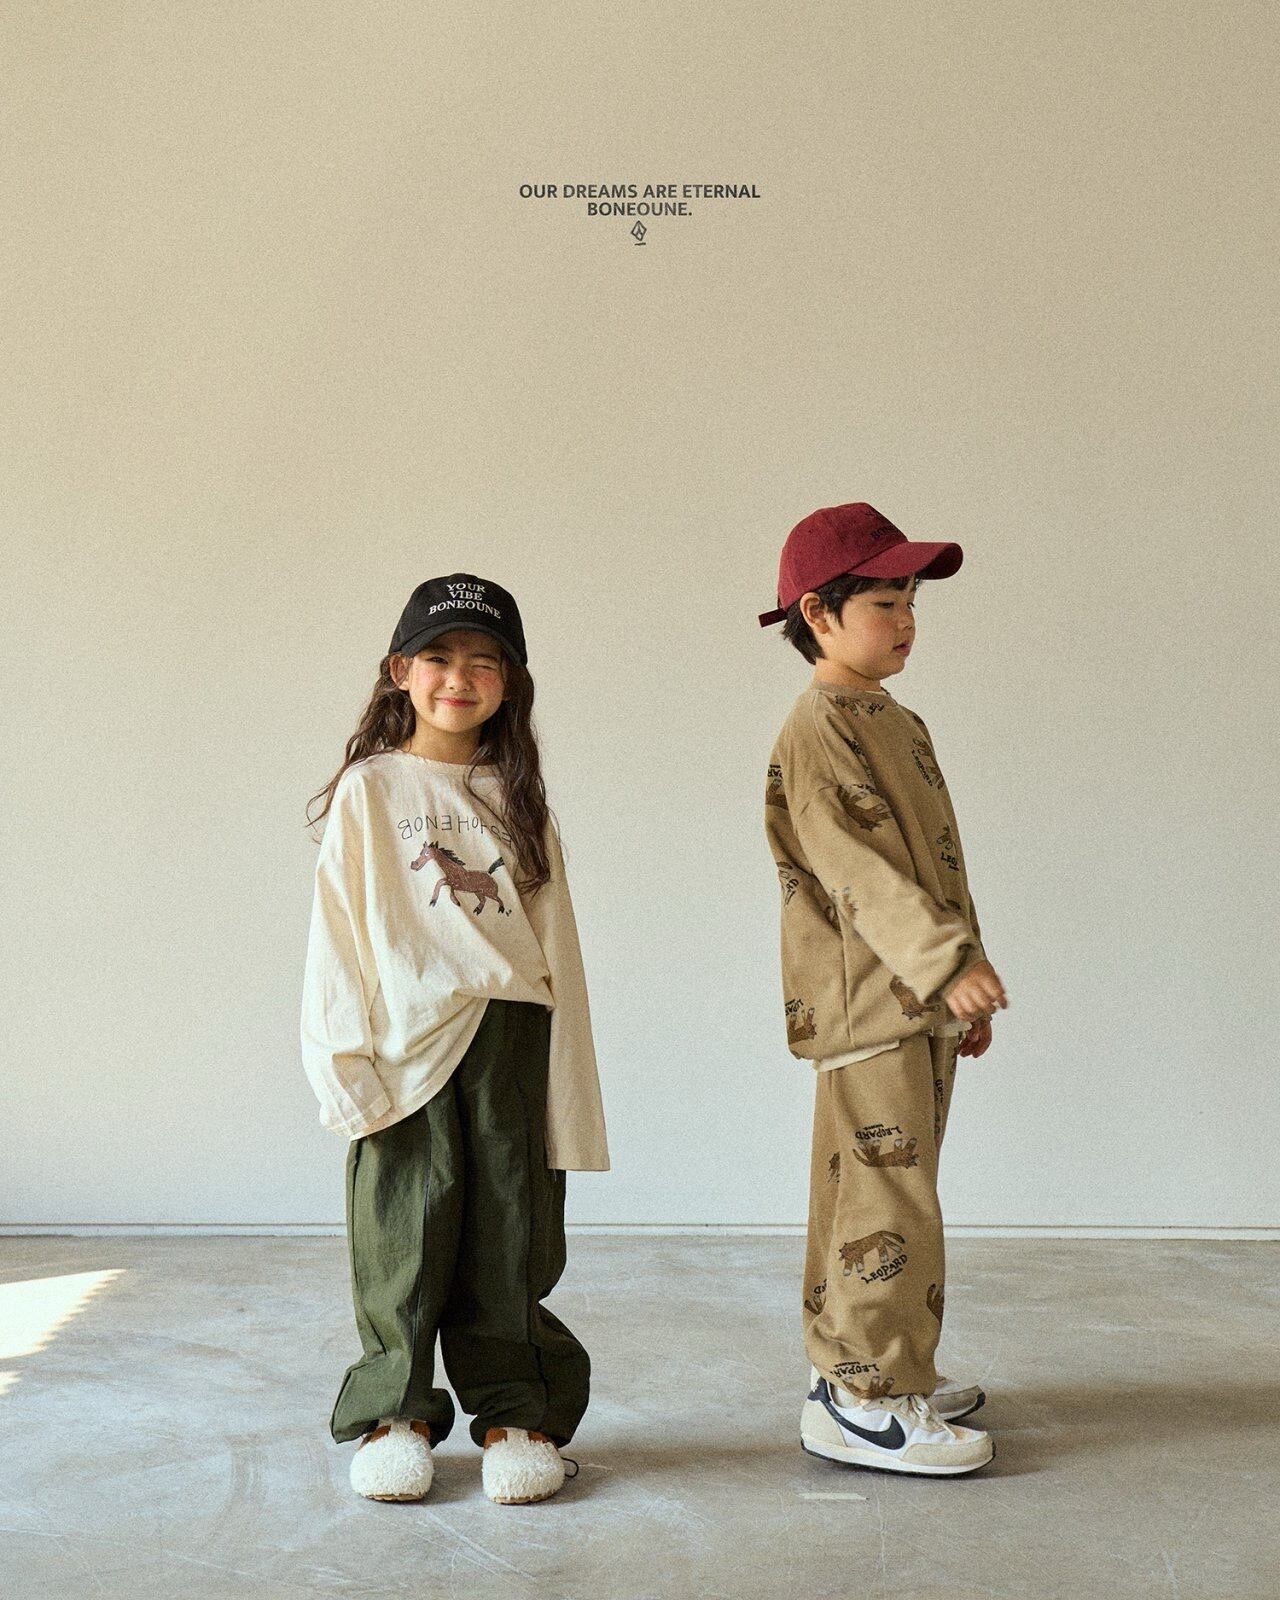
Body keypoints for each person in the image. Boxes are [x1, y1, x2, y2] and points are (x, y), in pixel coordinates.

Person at [300, 572, 608, 1505]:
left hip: (509, 1039)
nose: (458, 678)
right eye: (437, 657)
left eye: (484, 661)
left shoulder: (519, 797)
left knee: (509, 1236)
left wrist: (569, 1093)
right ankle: (394, 1413)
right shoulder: (370, 791)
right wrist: (340, 1061)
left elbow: (556, 949)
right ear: (400, 669)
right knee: (402, 1234)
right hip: (403, 1042)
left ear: (510, 682)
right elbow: (338, 934)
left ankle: (517, 1413)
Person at [759, 503, 1010, 1477]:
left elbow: (932, 861)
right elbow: (856, 866)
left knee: (885, 1189)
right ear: (818, 615)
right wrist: (945, 963)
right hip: (869, 1002)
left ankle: (873, 1370)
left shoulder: (894, 721)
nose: (905, 619)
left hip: (912, 1001)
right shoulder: (817, 726)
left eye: (910, 601)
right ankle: (862, 1398)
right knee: (884, 1200)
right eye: (882, 602)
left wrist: (957, 978)